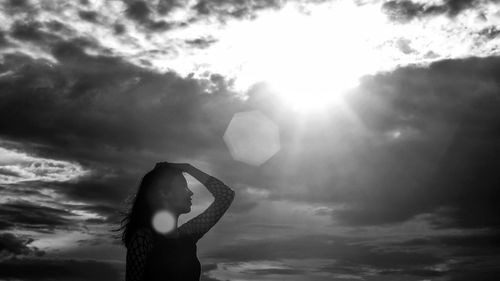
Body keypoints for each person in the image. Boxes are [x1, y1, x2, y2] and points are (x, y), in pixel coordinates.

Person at [118, 162, 235, 281]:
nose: (190, 192)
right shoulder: (143, 238)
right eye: (184, 186)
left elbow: (226, 195)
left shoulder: (187, 234)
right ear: (164, 193)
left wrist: (189, 168)